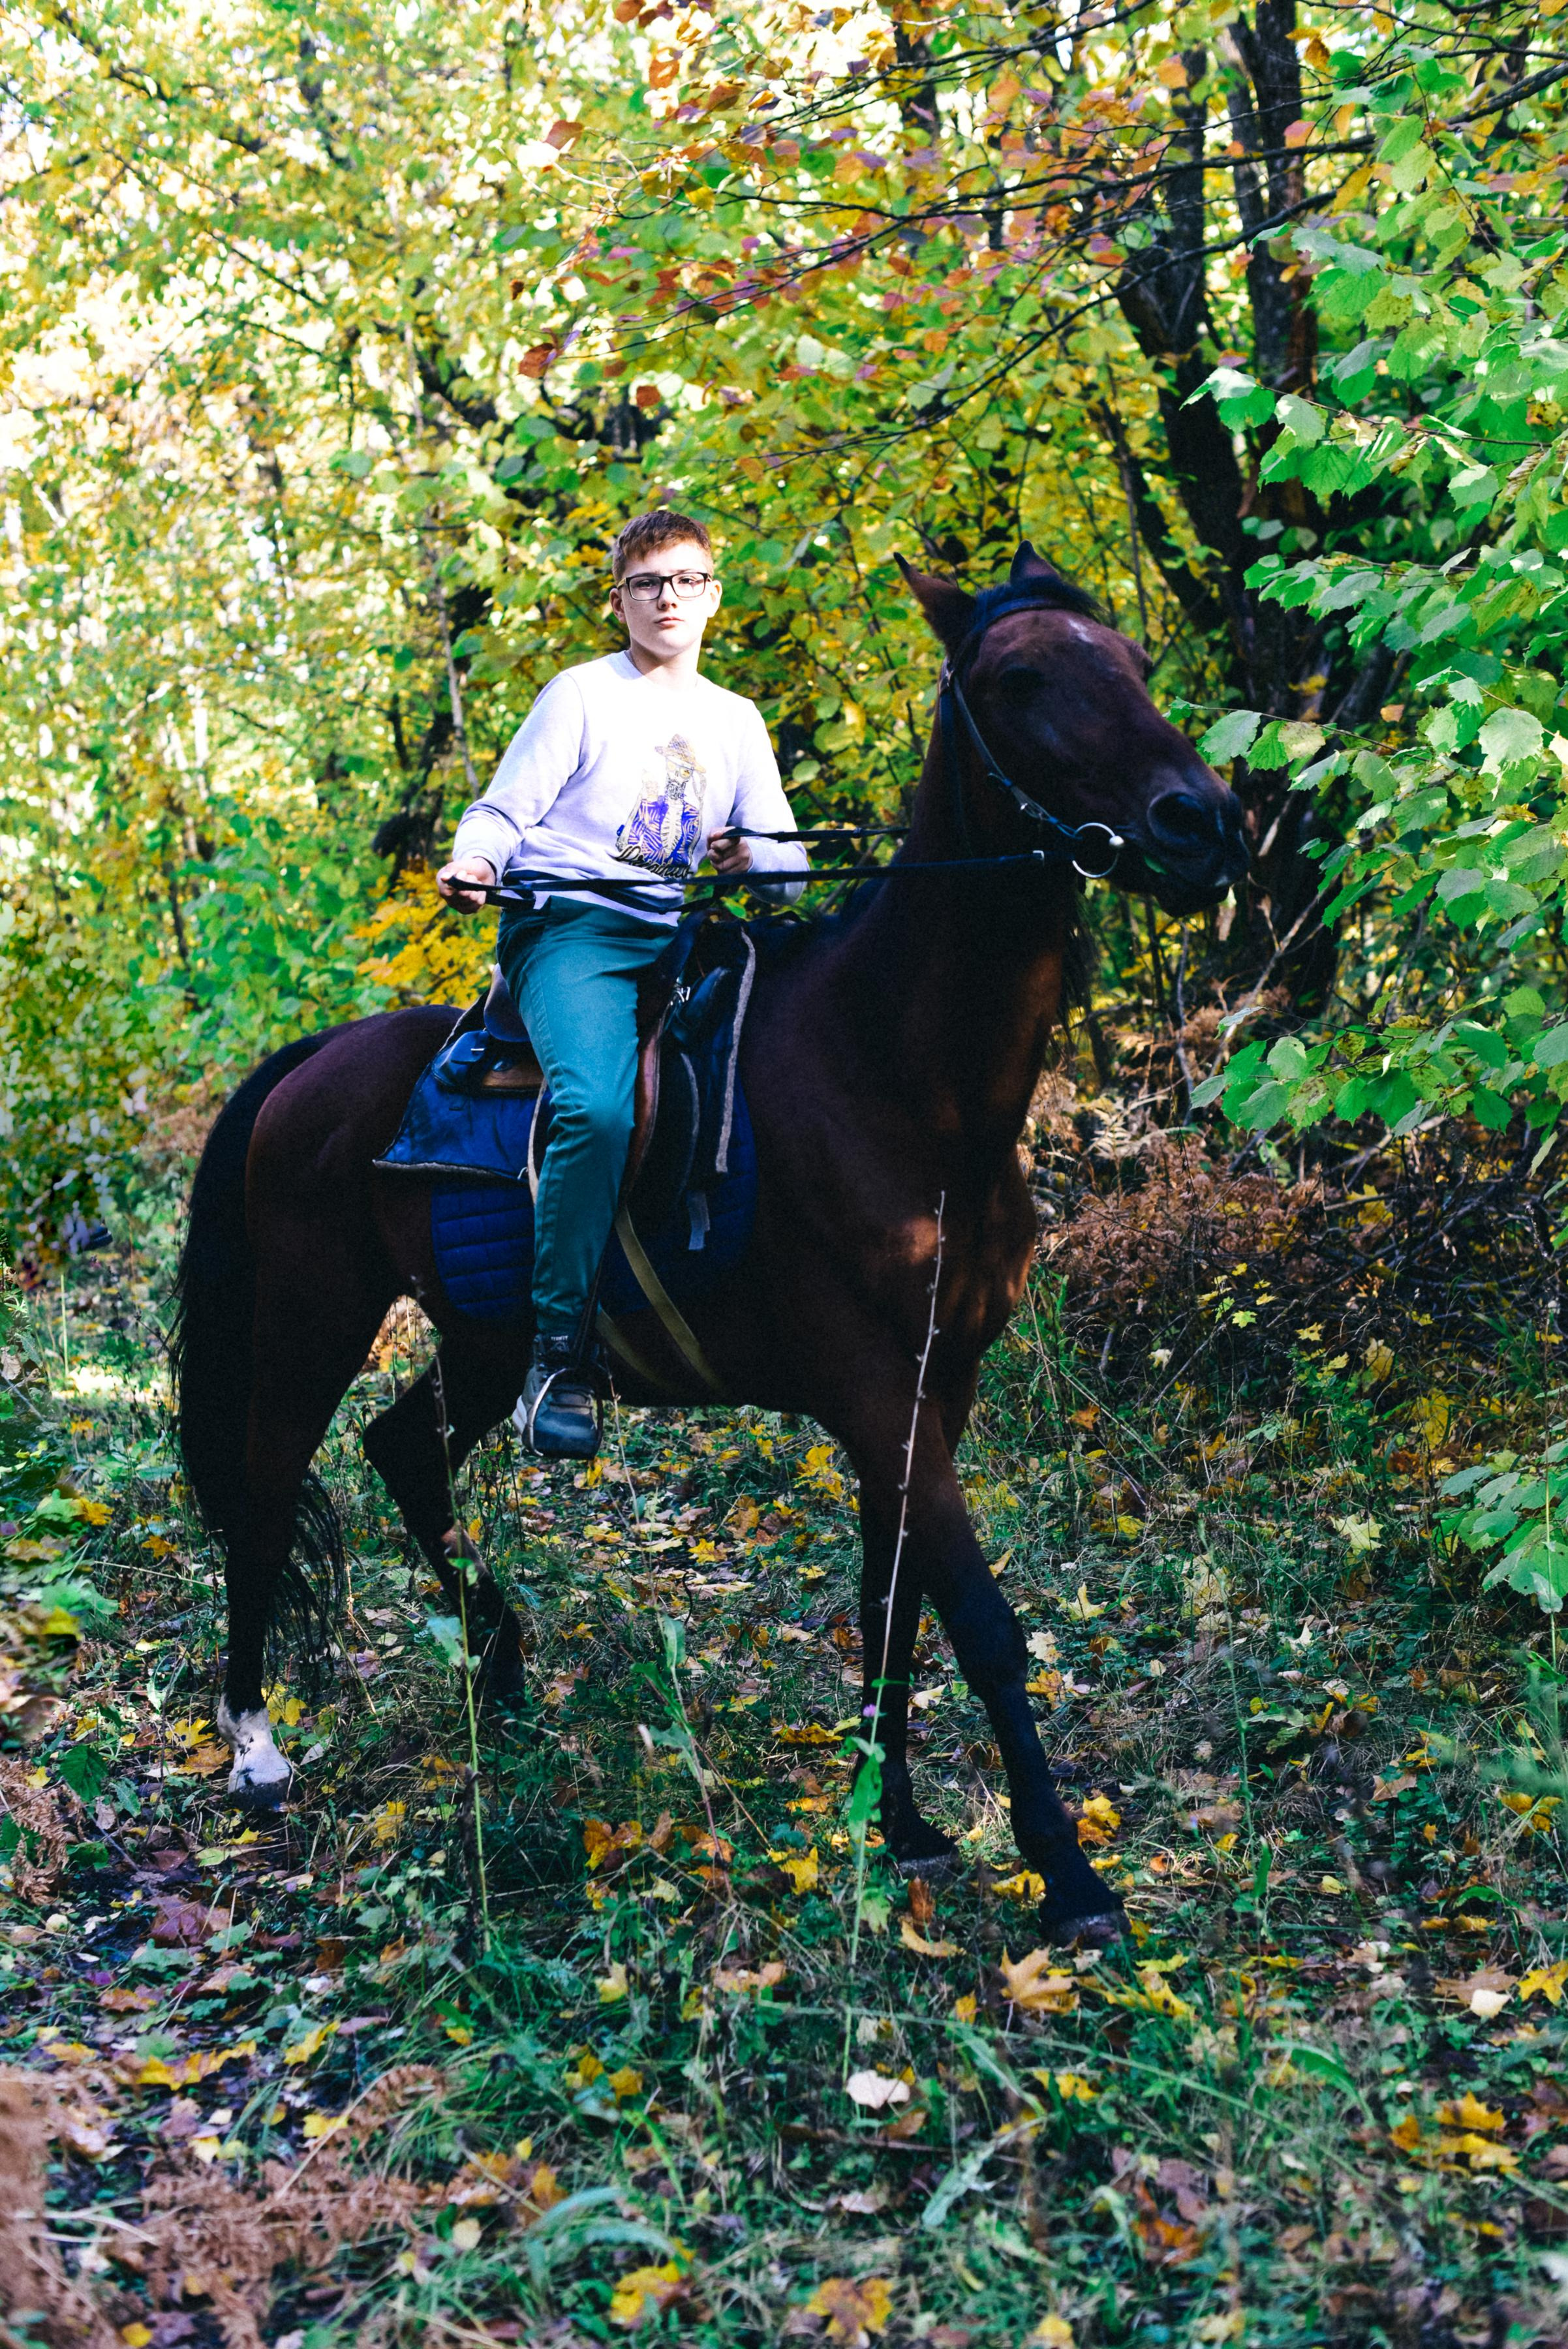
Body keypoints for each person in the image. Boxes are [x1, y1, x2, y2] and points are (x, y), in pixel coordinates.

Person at [437, 508, 807, 1456]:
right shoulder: (581, 696)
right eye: (649, 584)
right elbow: (504, 806)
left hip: (680, 936)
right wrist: (477, 863)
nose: (668, 598)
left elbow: (790, 869)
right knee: (597, 1107)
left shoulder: (736, 720)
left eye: (687, 580)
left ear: (714, 593)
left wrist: (749, 857)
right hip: (572, 933)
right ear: (621, 601)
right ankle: (555, 1355)